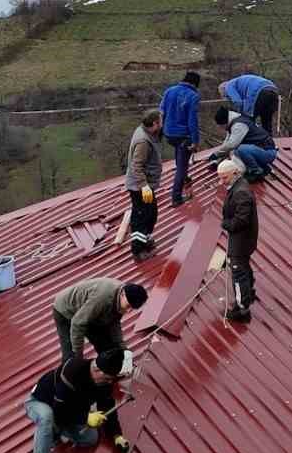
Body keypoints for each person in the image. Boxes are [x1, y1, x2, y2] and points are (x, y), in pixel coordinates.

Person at [25, 349, 134, 453]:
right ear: (96, 369)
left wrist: (117, 436)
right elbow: (59, 411)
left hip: (67, 414)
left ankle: (55, 431)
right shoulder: (71, 372)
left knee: (91, 438)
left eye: (112, 379)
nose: (109, 383)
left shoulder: (105, 381)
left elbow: (108, 407)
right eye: (107, 378)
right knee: (47, 417)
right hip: (41, 403)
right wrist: (85, 418)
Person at [52, 277, 149, 360]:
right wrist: (78, 356)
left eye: (132, 308)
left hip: (89, 311)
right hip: (65, 310)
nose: (128, 311)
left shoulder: (123, 299)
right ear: (122, 294)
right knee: (71, 355)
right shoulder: (102, 299)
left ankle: (110, 369)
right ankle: (66, 378)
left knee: (107, 346)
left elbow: (114, 324)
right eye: (128, 306)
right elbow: (77, 323)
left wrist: (123, 348)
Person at [217, 157, 260, 322]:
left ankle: (242, 309)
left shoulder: (241, 192)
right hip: (242, 238)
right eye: (220, 177)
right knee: (243, 265)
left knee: (238, 272)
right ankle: (249, 292)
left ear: (234, 173)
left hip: (241, 239)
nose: (221, 181)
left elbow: (241, 220)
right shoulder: (238, 186)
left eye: (224, 177)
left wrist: (226, 224)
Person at [123, 109, 165, 262]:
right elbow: (136, 166)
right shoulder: (143, 142)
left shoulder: (145, 132)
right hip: (140, 186)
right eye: (161, 121)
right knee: (141, 217)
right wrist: (144, 185)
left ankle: (145, 238)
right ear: (154, 123)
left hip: (144, 185)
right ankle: (138, 251)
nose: (162, 124)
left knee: (151, 214)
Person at [159, 71, 202, 206]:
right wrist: (195, 141)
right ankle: (176, 198)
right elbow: (192, 121)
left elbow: (161, 112)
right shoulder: (193, 96)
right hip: (184, 136)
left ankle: (184, 179)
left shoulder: (169, 91)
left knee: (180, 157)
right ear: (195, 84)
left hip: (169, 134)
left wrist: (162, 131)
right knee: (182, 167)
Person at [211, 106, 277, 181]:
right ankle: (263, 168)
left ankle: (256, 171)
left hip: (268, 152)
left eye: (221, 126)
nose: (222, 128)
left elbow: (231, 145)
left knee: (241, 149)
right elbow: (226, 144)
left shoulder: (239, 125)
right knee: (236, 152)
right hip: (259, 150)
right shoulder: (233, 123)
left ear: (225, 122)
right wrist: (217, 161)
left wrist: (216, 154)